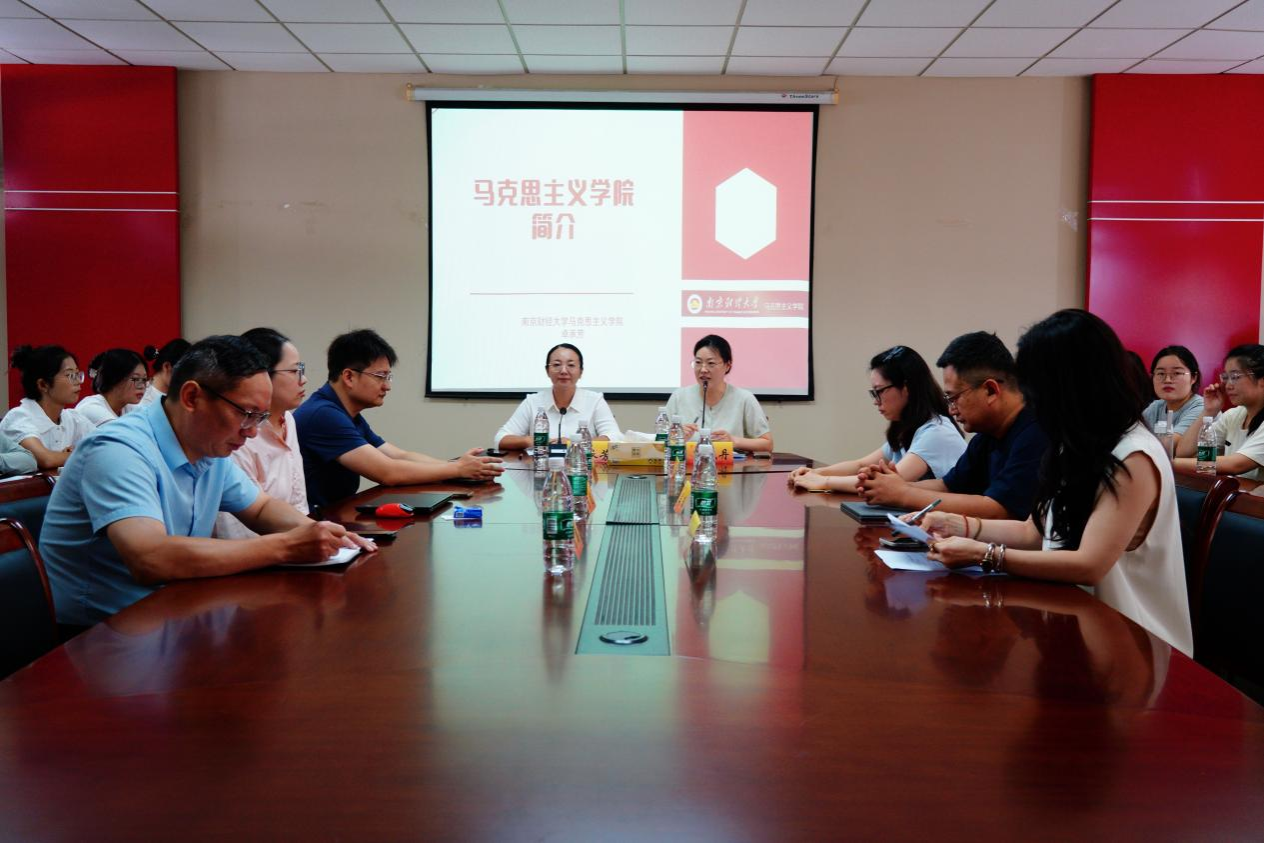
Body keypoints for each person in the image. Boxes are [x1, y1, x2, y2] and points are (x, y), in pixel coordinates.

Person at [39, 335, 375, 628]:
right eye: (246, 414)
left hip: (172, 611)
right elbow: (150, 558)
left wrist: (320, 534)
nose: (252, 432)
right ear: (191, 397)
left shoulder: (208, 448)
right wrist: (286, 547)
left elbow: (260, 508)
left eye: (260, 417)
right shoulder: (118, 449)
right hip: (98, 635)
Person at [919, 309, 1192, 657]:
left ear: (1071, 387)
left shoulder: (1134, 455)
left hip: (1131, 641)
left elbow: (1088, 565)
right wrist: (960, 525)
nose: (1031, 401)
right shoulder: (1076, 445)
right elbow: (1034, 533)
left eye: (1037, 389)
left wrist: (984, 554)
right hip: (1074, 623)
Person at [295, 329, 503, 509]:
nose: (387, 386)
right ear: (349, 376)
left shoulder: (345, 413)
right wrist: (457, 469)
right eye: (380, 376)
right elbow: (388, 472)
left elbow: (398, 456)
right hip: (317, 522)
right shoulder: (323, 415)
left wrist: (457, 467)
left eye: (388, 377)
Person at [857, 331, 1048, 519]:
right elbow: (948, 486)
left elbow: (1000, 509)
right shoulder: (987, 436)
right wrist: (890, 485)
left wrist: (903, 494)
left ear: (990, 390)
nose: (951, 410)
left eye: (954, 398)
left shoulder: (1037, 432)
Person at [788, 346, 964, 493]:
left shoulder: (937, 432)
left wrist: (824, 482)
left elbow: (887, 483)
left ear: (906, 388)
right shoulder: (909, 428)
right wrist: (816, 473)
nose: (875, 401)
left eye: (879, 391)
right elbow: (860, 464)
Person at [215, 328, 310, 539]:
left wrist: (315, 532)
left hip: (292, 540)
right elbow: (235, 532)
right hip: (258, 550)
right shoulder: (235, 434)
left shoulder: (289, 419)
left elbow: (286, 506)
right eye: (295, 371)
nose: (303, 379)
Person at [493, 343, 621, 449]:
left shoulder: (595, 401)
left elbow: (615, 437)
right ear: (547, 371)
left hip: (581, 468)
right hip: (540, 468)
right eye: (556, 365)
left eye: (571, 365)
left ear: (581, 372)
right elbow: (500, 439)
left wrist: (574, 443)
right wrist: (529, 441)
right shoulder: (533, 402)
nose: (563, 371)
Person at [666, 334, 772, 453]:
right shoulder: (679, 397)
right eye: (698, 362)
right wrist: (676, 438)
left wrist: (733, 441)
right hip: (688, 464)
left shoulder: (744, 398)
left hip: (732, 464)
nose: (703, 369)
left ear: (727, 366)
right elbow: (661, 442)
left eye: (711, 363)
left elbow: (767, 444)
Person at [1174, 344, 1264, 480]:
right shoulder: (1233, 415)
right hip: (1235, 491)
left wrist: (1169, 463)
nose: (1228, 385)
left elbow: (1235, 465)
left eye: (1235, 377)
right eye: (1226, 377)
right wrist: (1209, 411)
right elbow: (1184, 452)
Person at [1, 344, 95, 471]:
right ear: (43, 384)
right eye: (70, 375)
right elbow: (46, 459)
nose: (78, 381)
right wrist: (79, 453)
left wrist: (71, 454)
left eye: (78, 374)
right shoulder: (19, 417)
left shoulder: (73, 418)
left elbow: (107, 447)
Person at [75, 348, 149, 427]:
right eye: (135, 379)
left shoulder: (130, 407)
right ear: (114, 379)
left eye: (144, 379)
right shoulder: (91, 408)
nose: (142, 386)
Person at [1142, 345, 1204, 435]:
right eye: (1161, 373)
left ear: (1193, 377)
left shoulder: (1203, 407)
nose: (1167, 380)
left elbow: (1173, 442)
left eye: (1177, 373)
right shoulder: (1155, 407)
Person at [126, 338, 190, 414]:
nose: (188, 378)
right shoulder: (141, 399)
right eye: (185, 372)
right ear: (167, 367)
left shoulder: (180, 397)